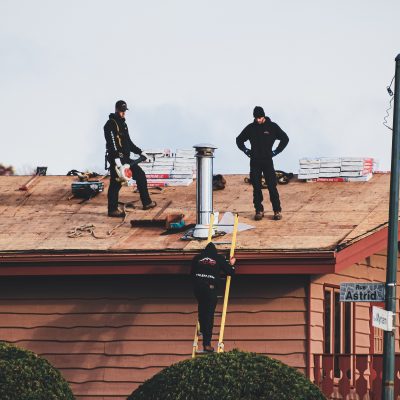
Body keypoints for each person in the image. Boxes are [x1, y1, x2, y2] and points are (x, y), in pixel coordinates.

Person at [104, 100, 156, 217]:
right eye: (121, 111)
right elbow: (111, 143)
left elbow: (128, 142)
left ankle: (147, 203)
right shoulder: (110, 124)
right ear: (116, 109)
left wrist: (140, 152)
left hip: (126, 159)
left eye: (124, 111)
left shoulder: (123, 124)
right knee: (116, 183)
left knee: (140, 175)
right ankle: (112, 210)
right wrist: (117, 161)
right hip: (116, 160)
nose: (123, 113)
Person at [236, 106, 289, 221]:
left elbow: (285, 138)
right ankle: (259, 210)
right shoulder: (251, 128)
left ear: (264, 116)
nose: (258, 120)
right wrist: (246, 150)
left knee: (272, 186)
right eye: (256, 118)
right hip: (254, 161)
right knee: (256, 187)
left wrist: (276, 151)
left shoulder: (272, 127)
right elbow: (239, 139)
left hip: (267, 161)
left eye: (260, 118)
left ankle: (277, 210)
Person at [191, 242, 236, 352]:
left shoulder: (197, 258)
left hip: (197, 288)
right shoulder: (218, 258)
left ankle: (202, 328)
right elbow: (230, 272)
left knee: (202, 309)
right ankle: (207, 344)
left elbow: (192, 273)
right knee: (209, 315)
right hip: (209, 289)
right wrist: (232, 264)